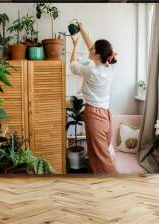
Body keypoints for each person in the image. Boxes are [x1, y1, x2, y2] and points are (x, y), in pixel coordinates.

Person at [70, 21, 118, 174]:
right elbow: (94, 46)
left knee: (101, 156)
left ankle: (117, 184)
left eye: (92, 49)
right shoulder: (109, 67)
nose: (90, 49)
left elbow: (72, 65)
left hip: (95, 115)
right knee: (97, 152)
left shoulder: (92, 71)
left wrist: (76, 45)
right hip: (105, 115)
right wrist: (83, 29)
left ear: (97, 55)